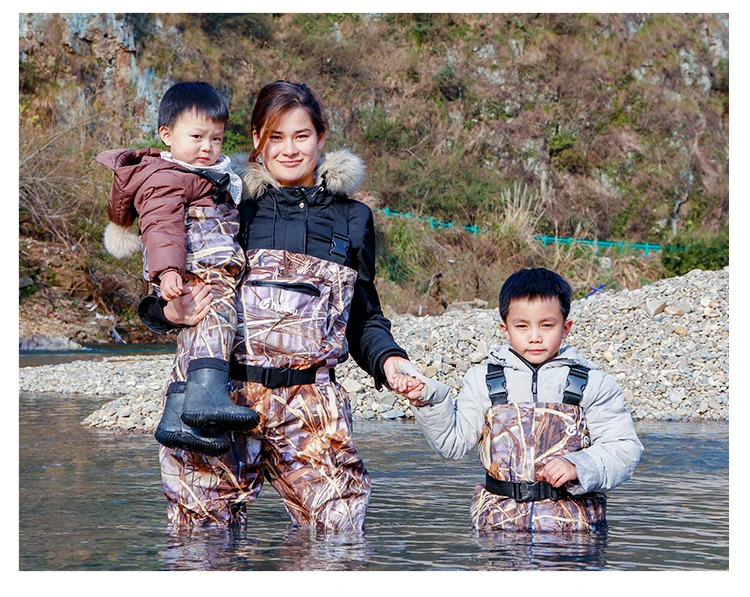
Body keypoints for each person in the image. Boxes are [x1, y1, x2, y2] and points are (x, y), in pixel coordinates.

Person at [137, 80, 424, 530]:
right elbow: (166, 288)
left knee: (337, 541)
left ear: (321, 137)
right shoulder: (224, 203)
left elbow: (363, 315)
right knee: (200, 545)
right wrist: (170, 312)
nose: (289, 150)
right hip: (217, 399)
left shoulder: (353, 219)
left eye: (301, 135)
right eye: (275, 136)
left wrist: (391, 362)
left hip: (311, 408)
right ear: (256, 140)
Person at [401, 267, 643, 532]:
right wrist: (429, 400)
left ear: (566, 328)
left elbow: (624, 450)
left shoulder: (594, 384)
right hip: (498, 529)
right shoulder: (482, 380)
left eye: (547, 325)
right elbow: (452, 445)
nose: (535, 336)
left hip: (575, 533)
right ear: (505, 329)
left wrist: (579, 466)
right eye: (522, 326)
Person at [97, 81, 260, 457]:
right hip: (197, 264)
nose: (208, 147)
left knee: (195, 333)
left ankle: (176, 415)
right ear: (166, 135)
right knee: (217, 314)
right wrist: (168, 271)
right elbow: (161, 228)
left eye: (216, 139)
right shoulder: (167, 177)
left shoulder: (194, 174)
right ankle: (205, 397)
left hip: (195, 265)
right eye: (197, 137)